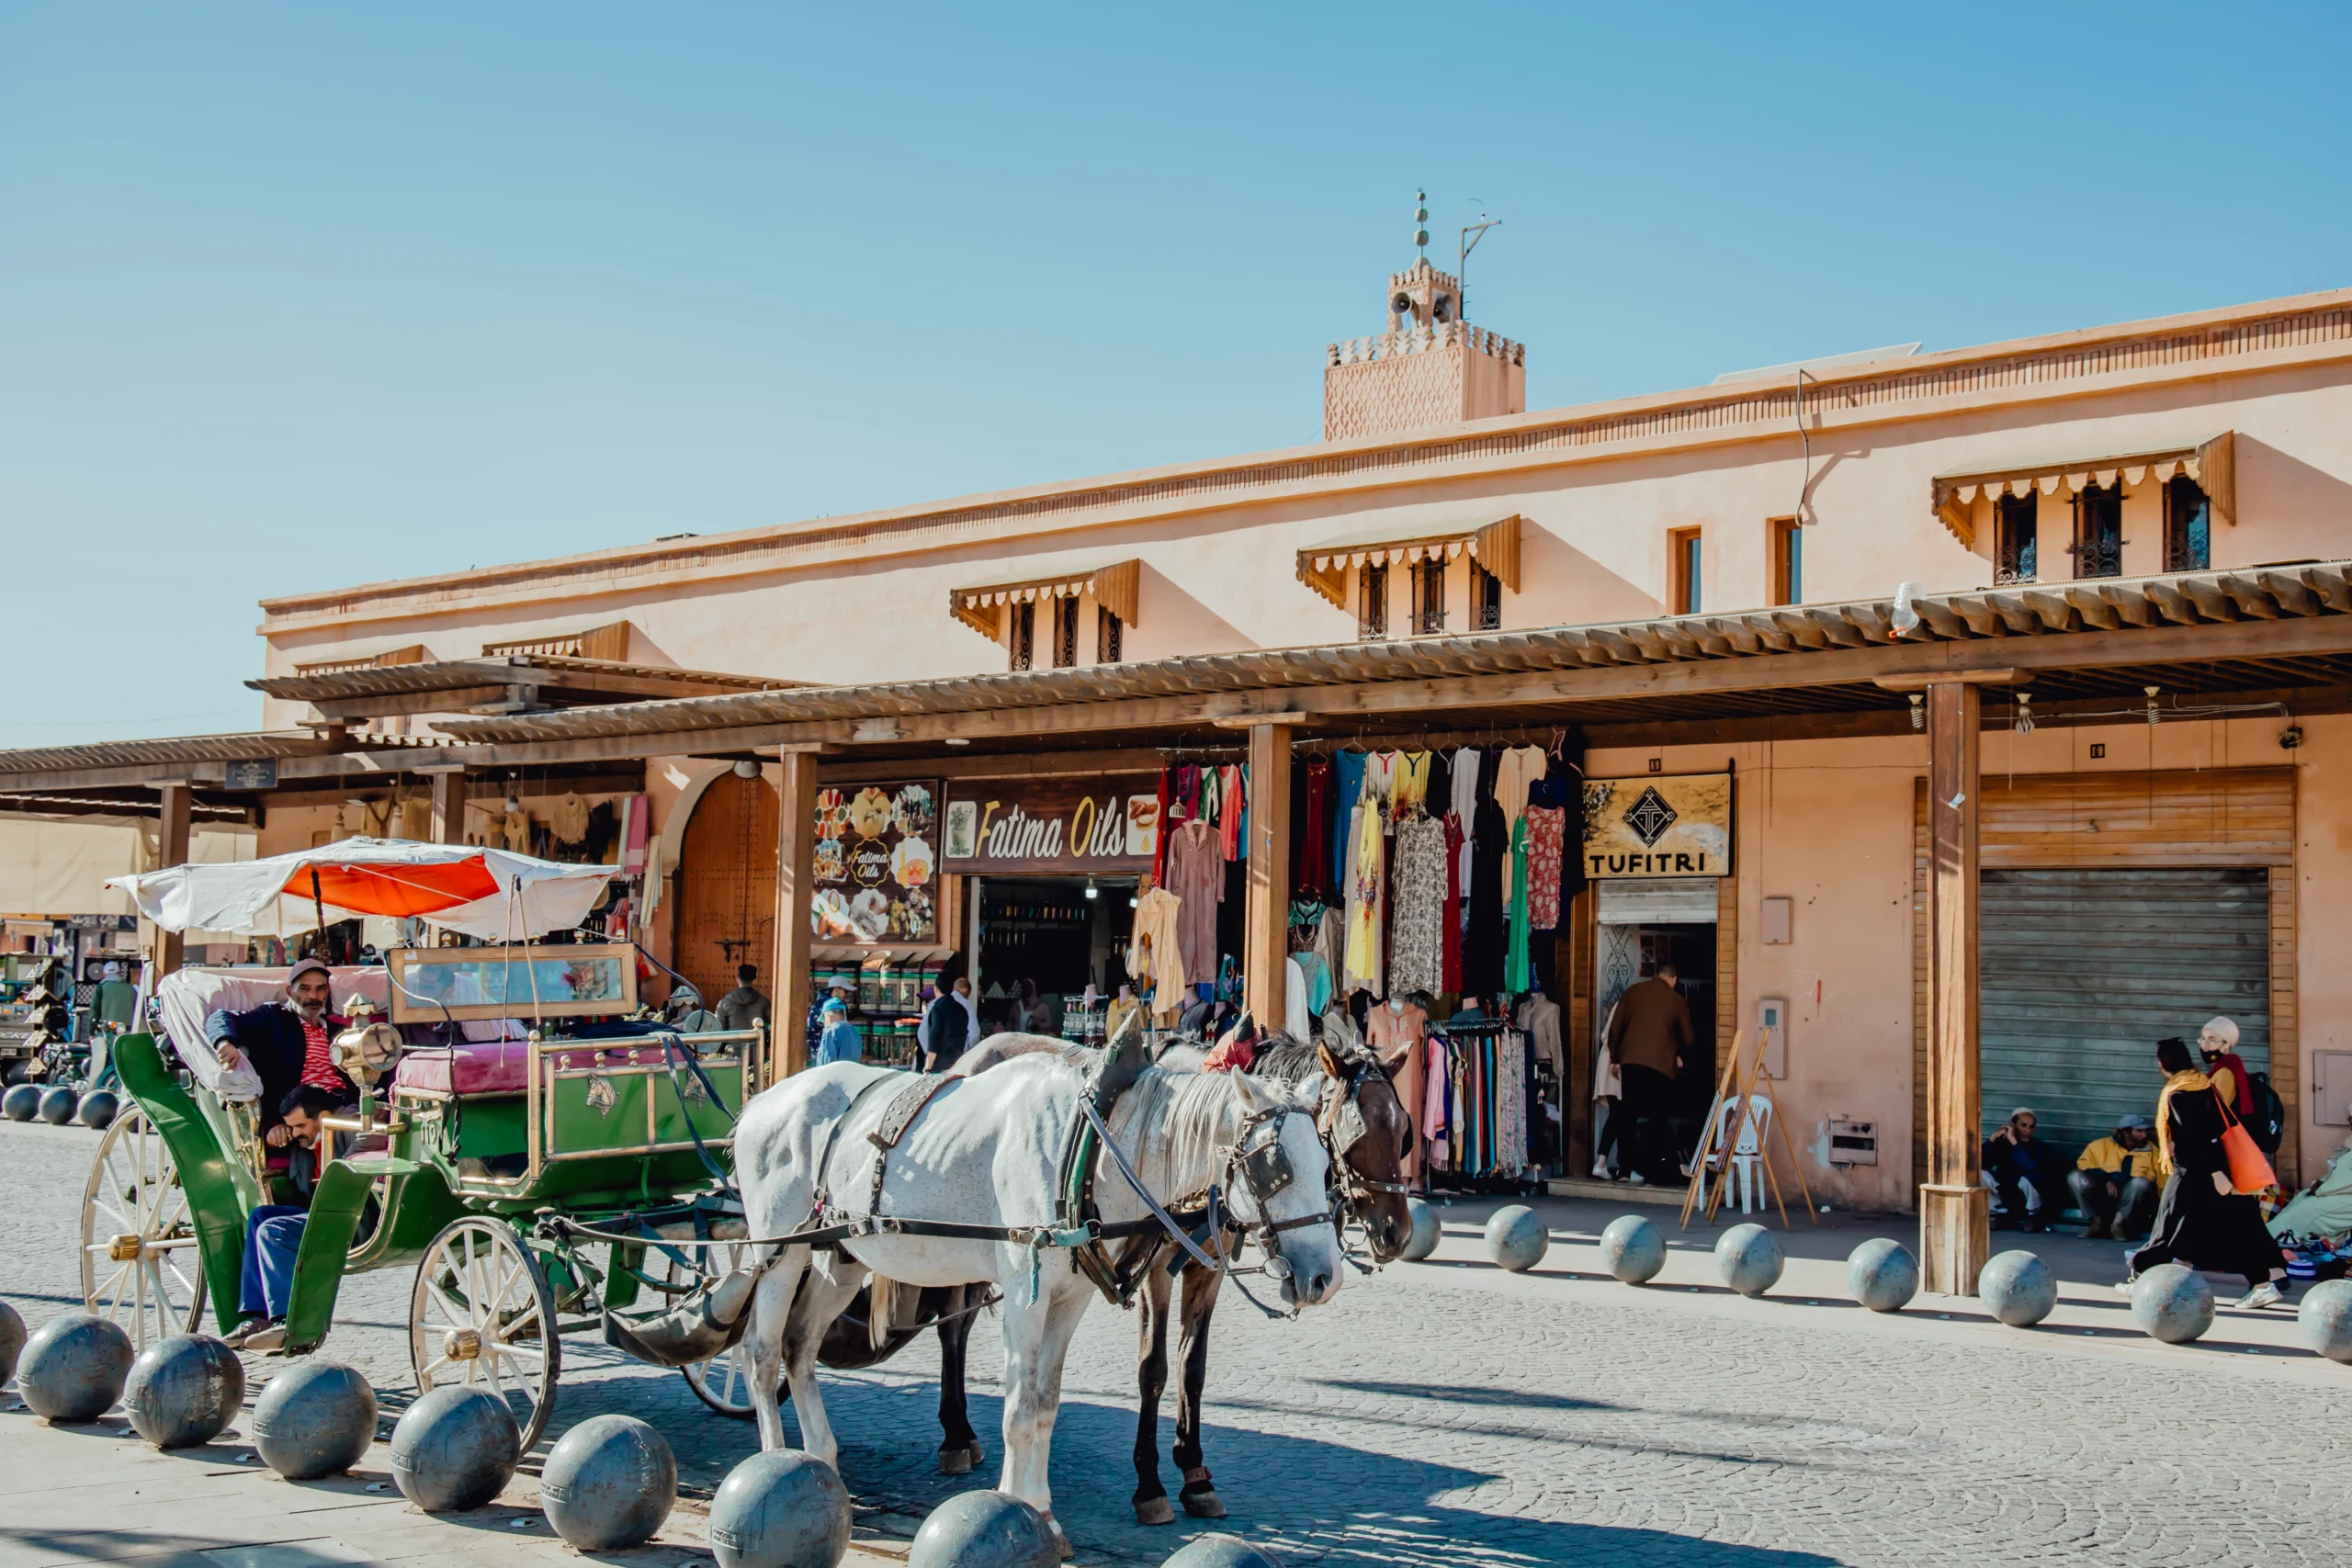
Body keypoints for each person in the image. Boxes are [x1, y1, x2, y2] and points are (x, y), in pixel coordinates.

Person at [2125, 1036, 2290, 1309]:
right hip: (2210, 1169)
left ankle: (2141, 1275)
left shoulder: (2179, 1094)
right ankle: (2263, 1284)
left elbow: (2201, 1136)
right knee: (2228, 1227)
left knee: (2168, 1222)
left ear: (2163, 1063)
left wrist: (2216, 1173)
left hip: (2195, 1171)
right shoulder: (2201, 1083)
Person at [225, 1085, 340, 1352]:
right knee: (259, 1217)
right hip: (319, 1212)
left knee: (272, 1230)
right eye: (292, 1127)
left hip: (347, 1218)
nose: (296, 1133)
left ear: (322, 1117)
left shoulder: (345, 1128)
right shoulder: (303, 1143)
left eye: (300, 1125)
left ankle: (288, 1320)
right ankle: (258, 1315)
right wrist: (277, 1134)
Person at [204, 958, 357, 1141]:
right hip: (300, 1112)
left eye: (320, 988)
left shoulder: (337, 1031)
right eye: (304, 988)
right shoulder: (274, 1018)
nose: (313, 996)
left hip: (340, 1105)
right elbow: (220, 1018)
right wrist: (225, 1042)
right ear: (289, 992)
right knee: (353, 1133)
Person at [1605, 963, 1693, 1186]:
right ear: (1674, 979)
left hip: (1632, 1064)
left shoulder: (1633, 992)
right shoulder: (1677, 1001)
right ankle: (1653, 1172)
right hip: (1661, 1068)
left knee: (1627, 1116)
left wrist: (1616, 1058)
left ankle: (1625, 1170)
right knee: (1657, 1119)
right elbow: (1689, 1038)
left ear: (1655, 975)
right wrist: (1677, 1052)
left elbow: (1615, 1028)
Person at [2070, 1113, 2163, 1240]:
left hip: (2132, 1205)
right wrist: (2107, 1180)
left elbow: (2163, 1182)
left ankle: (2118, 1225)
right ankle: (2095, 1221)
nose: (2144, 1135)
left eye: (2145, 1131)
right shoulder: (2099, 1146)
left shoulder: (2152, 1151)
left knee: (2140, 1182)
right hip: (2103, 1196)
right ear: (2126, 1133)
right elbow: (2083, 1165)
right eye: (2139, 1131)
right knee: (2075, 1177)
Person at [1981, 1109, 2059, 1233]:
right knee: (1980, 1174)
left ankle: (2034, 1218)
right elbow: (1981, 1163)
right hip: (2007, 1193)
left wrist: (2013, 1141)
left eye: (2032, 1127)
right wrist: (1991, 1140)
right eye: (2023, 1125)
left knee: (2027, 1179)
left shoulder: (2040, 1146)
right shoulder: (2002, 1144)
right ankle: (2003, 1213)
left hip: (2028, 1197)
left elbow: (2030, 1166)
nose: (2028, 1131)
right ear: (2013, 1125)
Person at [2195, 1019, 2256, 1120]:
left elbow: (2217, 1113)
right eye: (2203, 1038)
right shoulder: (2222, 1067)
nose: (2205, 1044)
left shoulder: (2225, 1073)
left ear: (2227, 1044)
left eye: (2212, 1040)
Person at [920, 974, 980, 1073]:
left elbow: (932, 1036)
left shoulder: (936, 1007)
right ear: (952, 989)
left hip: (938, 1065)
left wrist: (928, 1066)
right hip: (958, 1064)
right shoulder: (963, 1009)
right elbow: (973, 1034)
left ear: (935, 989)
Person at [715, 964, 773, 1033]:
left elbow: (718, 1030)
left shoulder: (724, 1003)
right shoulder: (764, 1002)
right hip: (757, 1043)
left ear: (737, 978)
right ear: (753, 979)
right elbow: (773, 1027)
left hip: (732, 1044)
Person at [815, 997, 863, 1066]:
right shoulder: (854, 1032)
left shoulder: (830, 1031)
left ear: (829, 1016)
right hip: (851, 1075)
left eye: (824, 1019)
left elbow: (826, 1062)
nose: (824, 1023)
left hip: (833, 1076)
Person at [94, 960, 139, 1032]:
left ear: (104, 974)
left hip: (107, 1029)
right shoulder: (131, 989)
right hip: (127, 1030)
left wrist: (91, 1032)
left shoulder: (101, 988)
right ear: (120, 973)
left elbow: (94, 1009)